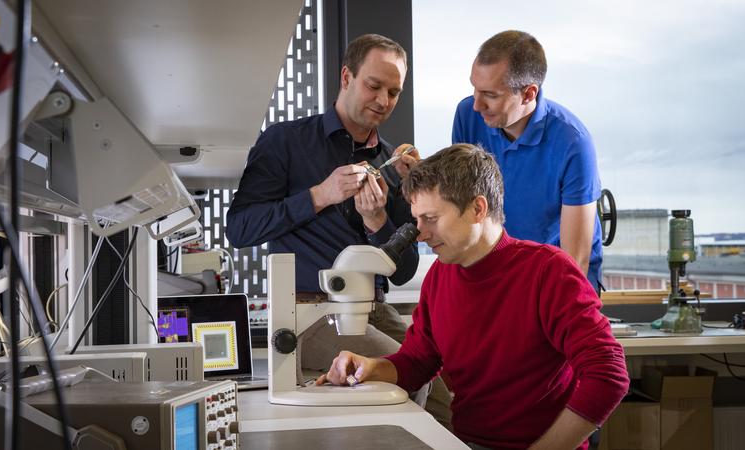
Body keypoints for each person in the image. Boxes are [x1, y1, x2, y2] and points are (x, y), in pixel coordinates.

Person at [318, 144, 629, 450]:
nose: (422, 235)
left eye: (432, 219)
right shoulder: (440, 276)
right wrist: (370, 367)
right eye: (417, 220)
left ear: (478, 208)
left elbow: (608, 374)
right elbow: (417, 363)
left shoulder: (548, 272)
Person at [225, 34, 450, 425]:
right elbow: (240, 229)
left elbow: (407, 270)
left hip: (375, 310)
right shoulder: (286, 141)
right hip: (309, 316)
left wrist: (378, 221)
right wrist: (319, 195)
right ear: (346, 77)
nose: (384, 100)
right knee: (409, 382)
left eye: (394, 91)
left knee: (450, 392)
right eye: (374, 86)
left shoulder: (393, 163)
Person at [452, 30, 603, 293]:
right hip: (497, 269)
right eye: (474, 88)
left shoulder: (573, 143)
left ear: (528, 93)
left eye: (490, 94)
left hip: (556, 275)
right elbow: (463, 207)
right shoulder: (468, 115)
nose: (477, 104)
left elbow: (574, 263)